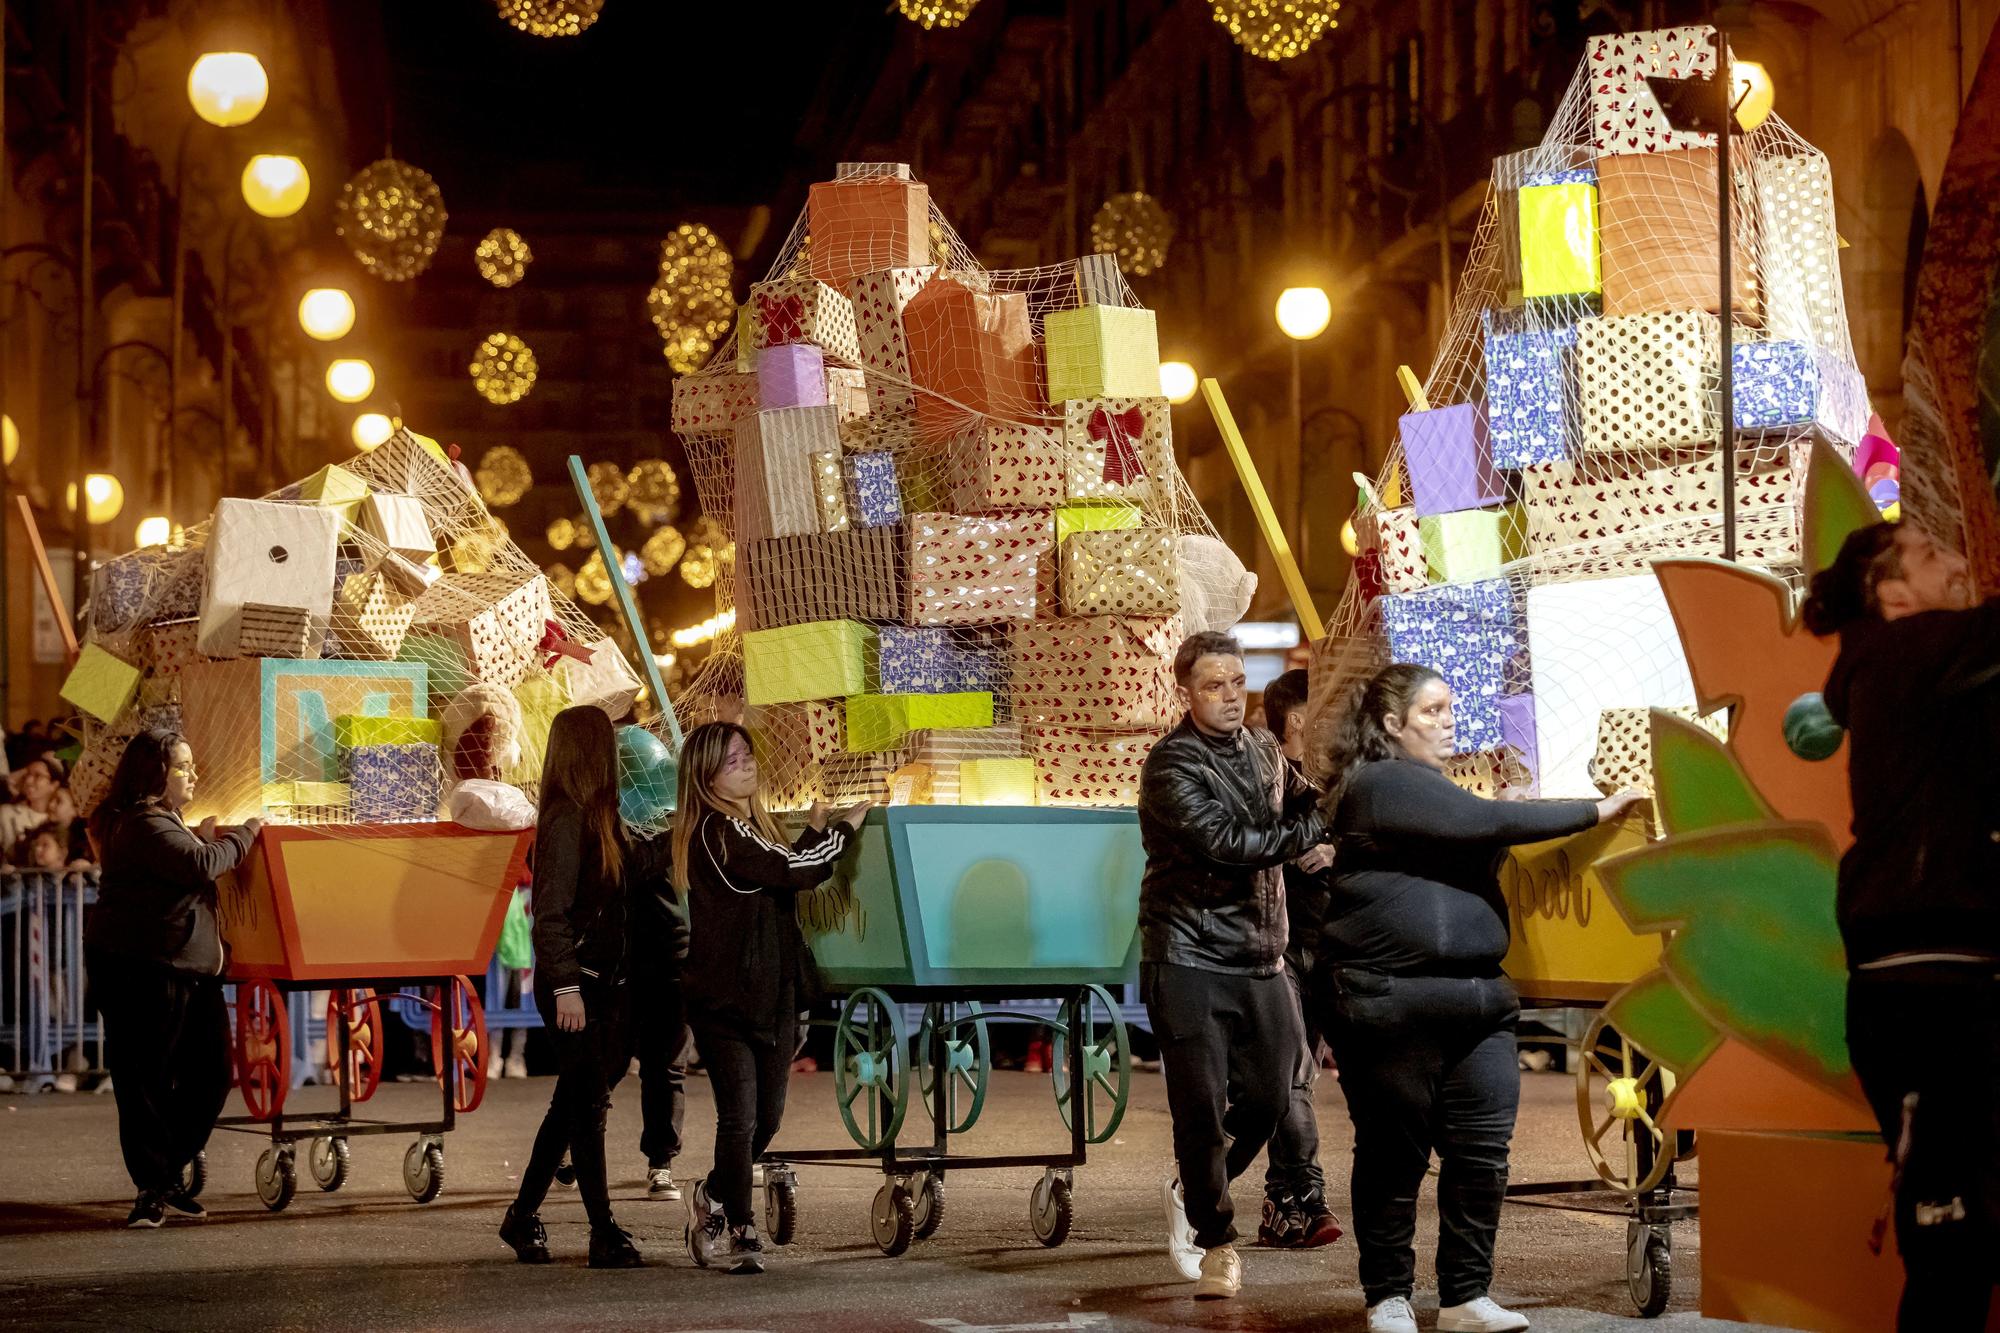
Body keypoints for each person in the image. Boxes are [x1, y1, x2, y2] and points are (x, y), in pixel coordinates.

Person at [1314, 663, 1641, 1333]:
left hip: (1480, 1000)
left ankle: (1465, 1296)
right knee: (1394, 1155)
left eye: (1449, 709)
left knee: (1482, 1154)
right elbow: (1483, 820)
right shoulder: (1378, 783)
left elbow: (1480, 827)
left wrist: (1517, 814)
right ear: (1391, 724)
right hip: (1389, 1000)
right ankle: (1388, 1295)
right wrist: (1598, 808)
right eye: (1431, 711)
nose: (1448, 722)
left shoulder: (1437, 795)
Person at [1802, 522, 1997, 1331]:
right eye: (1929, 554)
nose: (1954, 561)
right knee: (1952, 1244)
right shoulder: (1902, 651)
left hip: (1949, 981)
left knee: (1966, 1235)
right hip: (1924, 994)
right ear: (1894, 595)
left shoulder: (1930, 670)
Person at [1137, 631, 1331, 1300]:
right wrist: (1312, 833)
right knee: (1198, 1108)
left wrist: (1328, 817)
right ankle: (1218, 1241)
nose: (1229, 696)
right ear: (1184, 692)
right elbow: (1228, 843)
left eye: (1237, 683)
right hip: (1187, 955)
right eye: (1213, 685)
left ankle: (1194, 1186)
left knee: (1271, 1098)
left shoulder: (1266, 750)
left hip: (1261, 956)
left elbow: (1305, 801)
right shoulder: (1170, 763)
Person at [673, 721, 866, 1275]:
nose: (746, 766)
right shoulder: (717, 830)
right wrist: (842, 832)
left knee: (768, 1120)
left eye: (746, 755)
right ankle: (742, 1230)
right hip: (725, 999)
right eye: (731, 761)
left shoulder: (748, 828)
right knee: (738, 1119)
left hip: (773, 993)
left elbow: (776, 874)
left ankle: (711, 1194)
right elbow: (794, 872)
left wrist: (813, 829)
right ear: (705, 776)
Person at [499, 706, 672, 1269]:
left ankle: (522, 1216)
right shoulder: (566, 819)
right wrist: (566, 987)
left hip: (604, 984)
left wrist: (680, 830)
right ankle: (603, 1229)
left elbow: (634, 869)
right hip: (575, 988)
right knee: (589, 1104)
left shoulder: (601, 815)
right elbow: (549, 914)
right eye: (610, 744)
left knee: (571, 1106)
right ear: (592, 751)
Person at [81, 729, 261, 1227]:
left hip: (188, 968)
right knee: (145, 1080)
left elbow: (185, 858)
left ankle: (163, 1175)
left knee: (213, 1075)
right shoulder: (140, 821)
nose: (193, 774)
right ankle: (152, 1187)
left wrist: (201, 835)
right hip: (141, 967)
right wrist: (245, 834)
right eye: (183, 766)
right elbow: (200, 864)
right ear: (156, 773)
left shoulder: (162, 820)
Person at [1252, 668, 1342, 1250]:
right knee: (1292, 1075)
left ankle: (1279, 1202)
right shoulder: (1261, 780)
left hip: (1332, 946)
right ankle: (1309, 1196)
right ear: (1299, 720)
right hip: (1278, 949)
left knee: (1296, 1078)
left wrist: (1338, 849)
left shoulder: (1339, 783)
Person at [633, 827, 692, 1201]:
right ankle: (571, 1145)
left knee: (668, 1065)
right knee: (602, 1068)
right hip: (625, 956)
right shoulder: (615, 822)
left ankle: (661, 1161)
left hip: (681, 954)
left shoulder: (699, 822)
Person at [0, 755, 62, 854]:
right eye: (27, 775)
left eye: (38, 776)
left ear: (53, 785)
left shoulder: (56, 823)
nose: (28, 781)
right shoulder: (7, 813)